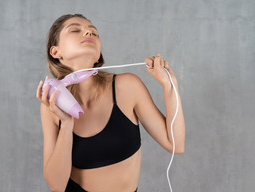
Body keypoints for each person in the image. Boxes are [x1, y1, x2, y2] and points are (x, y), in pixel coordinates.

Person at [36, 14, 185, 192]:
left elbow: (175, 144)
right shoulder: (52, 105)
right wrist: (67, 124)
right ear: (55, 52)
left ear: (98, 54)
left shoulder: (127, 87)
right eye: (75, 30)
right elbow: (56, 185)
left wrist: (169, 85)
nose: (88, 33)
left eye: (94, 32)